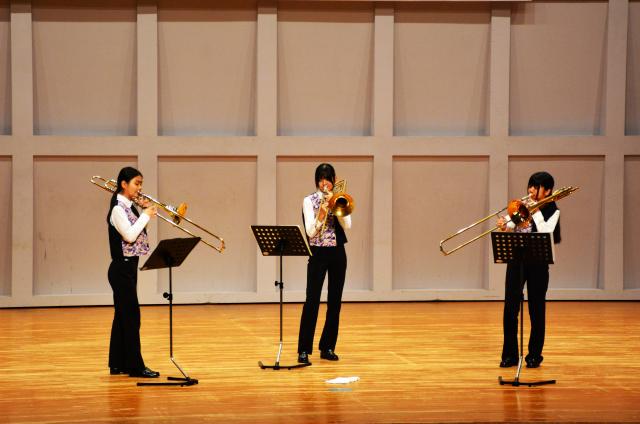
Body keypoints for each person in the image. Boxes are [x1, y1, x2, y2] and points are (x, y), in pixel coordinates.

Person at [497, 171, 561, 369]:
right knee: (510, 309)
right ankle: (510, 355)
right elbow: (511, 223)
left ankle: (534, 355)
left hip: (538, 264)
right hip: (516, 261)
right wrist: (505, 225)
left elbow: (546, 232)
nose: (531, 190)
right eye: (530, 185)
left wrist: (536, 210)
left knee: (536, 310)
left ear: (547, 191)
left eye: (536, 186)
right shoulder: (522, 205)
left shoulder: (553, 210)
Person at [106, 167, 160, 378]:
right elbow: (129, 236)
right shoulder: (117, 209)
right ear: (123, 184)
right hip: (121, 268)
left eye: (141, 184)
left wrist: (143, 212)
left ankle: (117, 363)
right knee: (131, 318)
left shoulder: (129, 207)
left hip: (128, 268)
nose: (140, 188)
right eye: (136, 183)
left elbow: (138, 236)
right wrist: (145, 215)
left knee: (122, 316)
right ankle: (136, 366)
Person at [297, 163, 352, 364]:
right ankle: (304, 350)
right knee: (312, 301)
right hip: (318, 253)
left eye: (328, 179)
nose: (324, 183)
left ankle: (328, 347)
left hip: (338, 253)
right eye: (321, 179)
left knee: (335, 302)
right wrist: (322, 210)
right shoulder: (308, 201)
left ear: (334, 180)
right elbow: (310, 232)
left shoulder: (339, 198)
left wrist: (336, 207)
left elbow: (348, 225)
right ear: (316, 181)